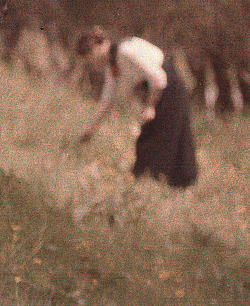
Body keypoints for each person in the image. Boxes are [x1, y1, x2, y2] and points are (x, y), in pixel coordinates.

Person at [75, 27, 198, 188]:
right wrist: (90, 130)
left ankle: (170, 186)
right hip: (158, 91)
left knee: (165, 139)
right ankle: (154, 185)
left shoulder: (124, 51)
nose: (91, 61)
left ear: (100, 45)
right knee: (152, 140)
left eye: (90, 54)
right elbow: (107, 100)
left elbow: (159, 77)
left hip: (168, 89)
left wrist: (150, 107)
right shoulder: (113, 64)